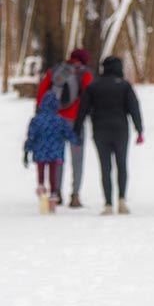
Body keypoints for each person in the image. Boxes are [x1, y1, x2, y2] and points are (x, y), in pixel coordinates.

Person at [74, 55, 144, 215]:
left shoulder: (93, 86)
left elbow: (82, 110)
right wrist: (139, 130)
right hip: (121, 131)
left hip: (100, 131)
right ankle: (121, 200)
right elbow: (134, 108)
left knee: (105, 167)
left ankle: (108, 204)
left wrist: (76, 132)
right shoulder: (125, 86)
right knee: (122, 165)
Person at [35, 48, 92, 207]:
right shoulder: (84, 73)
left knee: (57, 157)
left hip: (55, 120)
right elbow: (89, 96)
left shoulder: (54, 71)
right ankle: (75, 195)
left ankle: (57, 193)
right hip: (76, 121)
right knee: (77, 159)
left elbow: (41, 93)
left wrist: (42, 115)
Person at [24, 91, 81, 213]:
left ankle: (41, 189)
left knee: (41, 173)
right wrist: (76, 141)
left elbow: (31, 137)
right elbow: (67, 133)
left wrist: (26, 151)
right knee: (53, 175)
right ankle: (53, 196)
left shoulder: (36, 120)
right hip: (55, 153)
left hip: (40, 153)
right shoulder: (59, 120)